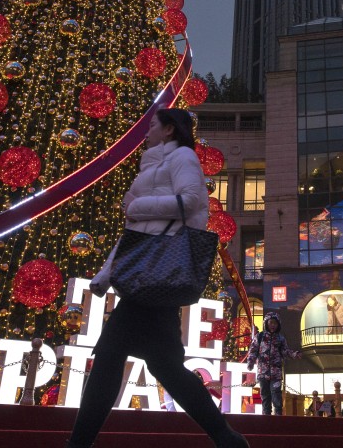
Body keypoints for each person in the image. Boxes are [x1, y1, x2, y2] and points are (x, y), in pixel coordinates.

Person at [68, 109, 247, 448]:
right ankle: (226, 438)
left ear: (168, 130)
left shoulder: (182, 157)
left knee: (109, 358)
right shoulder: (152, 166)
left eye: (152, 125)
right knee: (166, 369)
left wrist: (140, 206)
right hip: (147, 276)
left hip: (157, 273)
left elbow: (193, 200)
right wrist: (108, 272)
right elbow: (136, 233)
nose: (146, 131)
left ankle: (78, 444)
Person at [246, 312, 301, 416]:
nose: (273, 325)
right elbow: (253, 350)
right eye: (271, 323)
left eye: (275, 323)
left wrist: (294, 354)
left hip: (276, 373)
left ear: (278, 324)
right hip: (263, 373)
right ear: (266, 323)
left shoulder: (280, 338)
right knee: (265, 395)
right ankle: (266, 415)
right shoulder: (260, 336)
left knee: (276, 394)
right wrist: (250, 361)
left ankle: (278, 415)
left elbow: (285, 351)